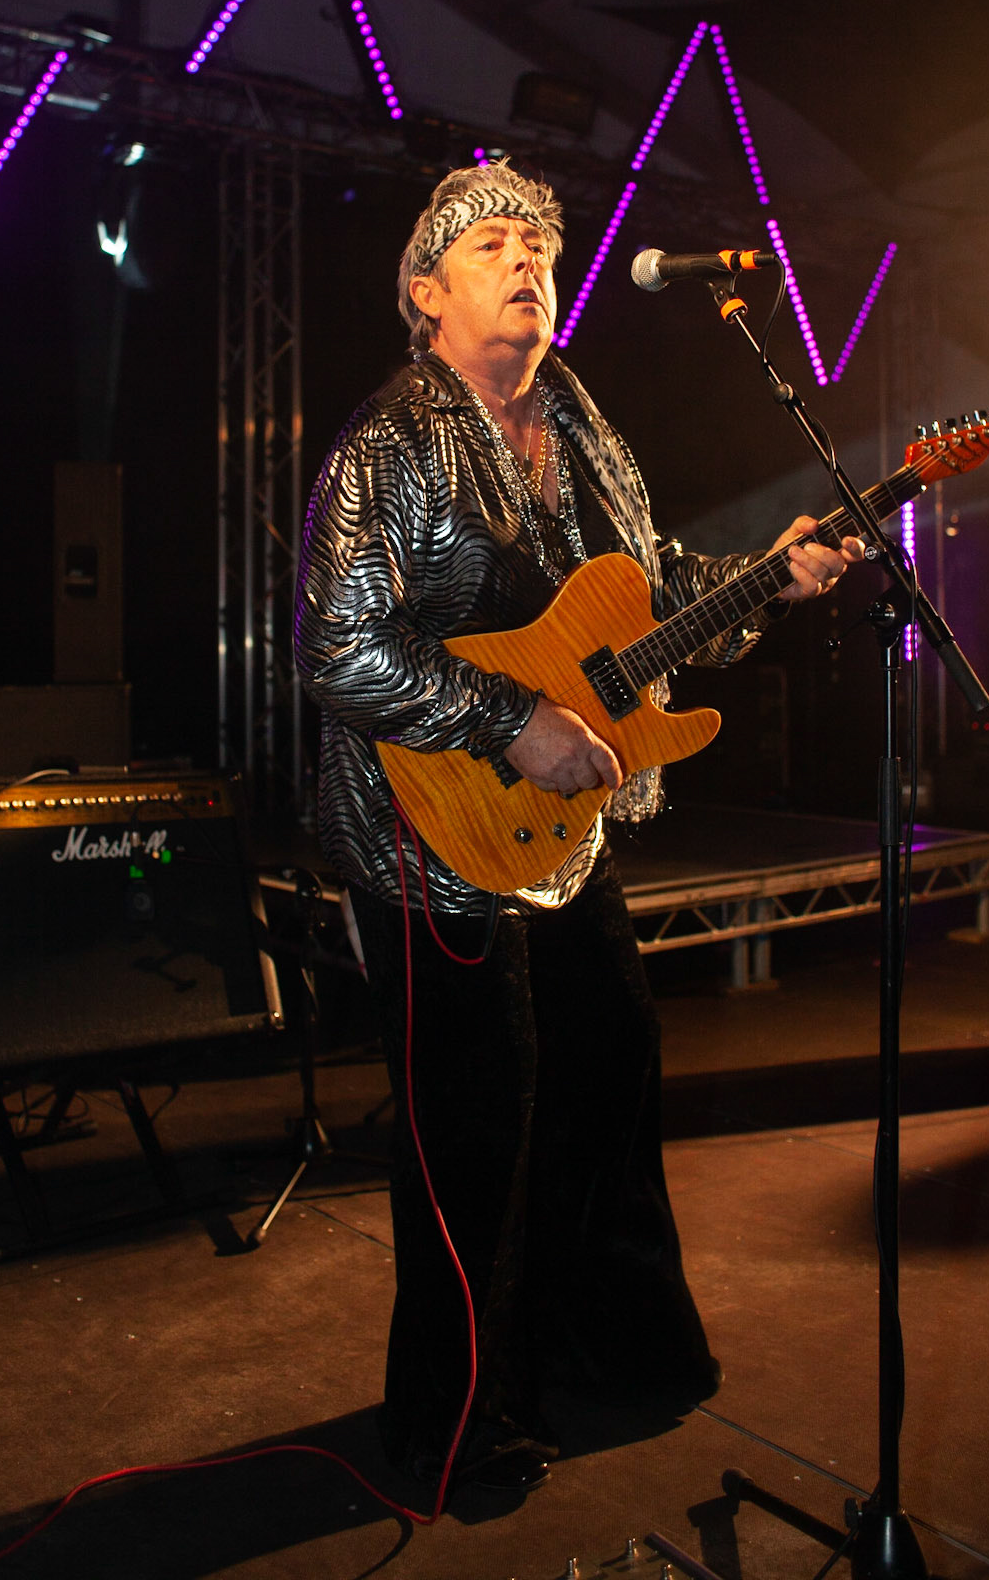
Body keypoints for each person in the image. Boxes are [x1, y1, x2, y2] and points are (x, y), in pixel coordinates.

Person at [294, 161, 862, 1495]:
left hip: (564, 828)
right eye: (490, 243)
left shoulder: (580, 419)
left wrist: (766, 578)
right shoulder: (389, 441)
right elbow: (339, 645)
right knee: (472, 1126)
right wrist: (509, 722)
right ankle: (452, 1422)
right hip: (430, 832)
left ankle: (603, 1356)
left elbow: (644, 595)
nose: (525, 260)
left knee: (609, 1069)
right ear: (423, 292)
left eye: (539, 245)